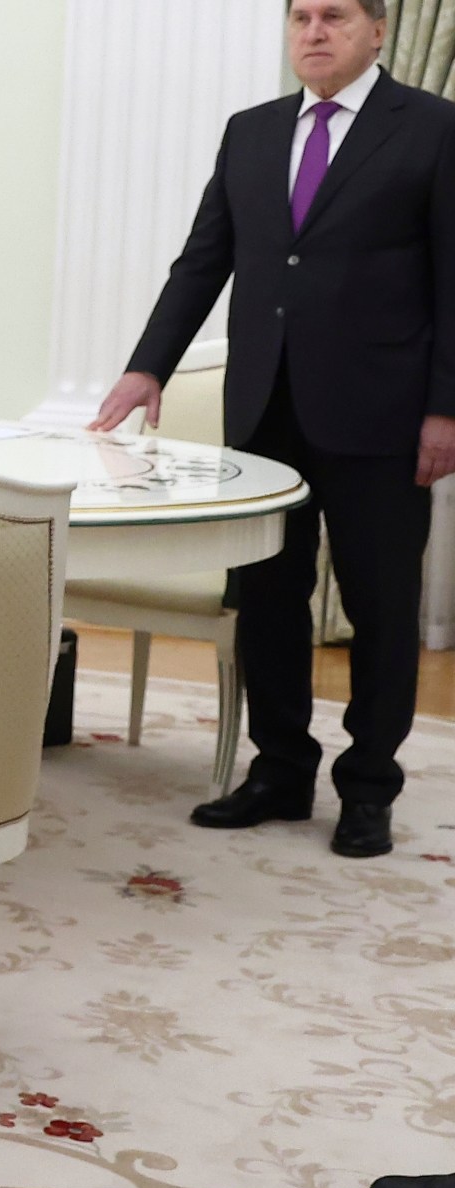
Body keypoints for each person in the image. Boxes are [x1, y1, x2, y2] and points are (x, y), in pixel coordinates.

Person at [94, 0, 455, 859]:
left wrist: (446, 405)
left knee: (380, 606)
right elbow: (204, 258)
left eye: (335, 17)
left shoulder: (434, 129)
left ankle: (369, 785)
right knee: (268, 600)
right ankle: (280, 769)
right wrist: (149, 365)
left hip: (384, 413)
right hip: (263, 412)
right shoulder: (250, 131)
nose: (314, 33)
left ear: (376, 32)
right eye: (300, 18)